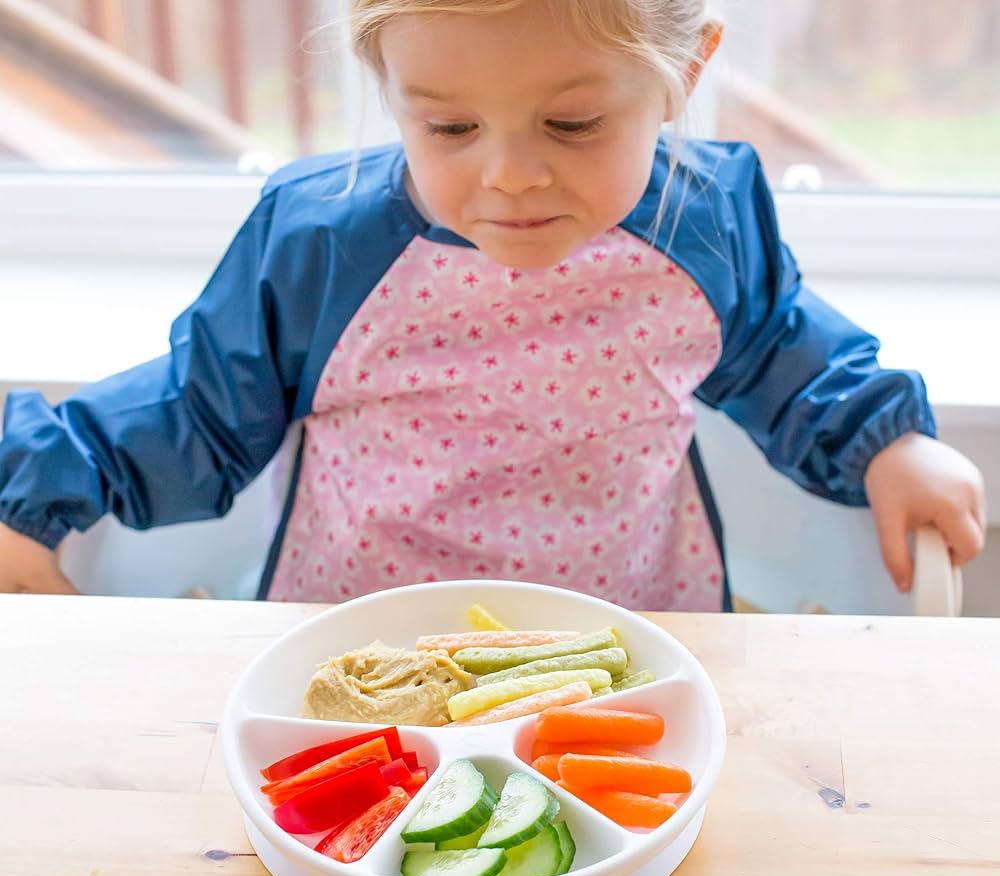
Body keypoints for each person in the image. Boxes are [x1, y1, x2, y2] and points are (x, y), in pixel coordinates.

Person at [0, 0, 985, 608]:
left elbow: (779, 349)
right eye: (450, 124)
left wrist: (882, 440)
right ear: (390, 89)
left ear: (683, 74)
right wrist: (36, 491)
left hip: (625, 650)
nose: (510, 175)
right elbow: (195, 415)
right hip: (364, 662)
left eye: (572, 121)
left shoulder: (703, 220)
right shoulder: (321, 243)